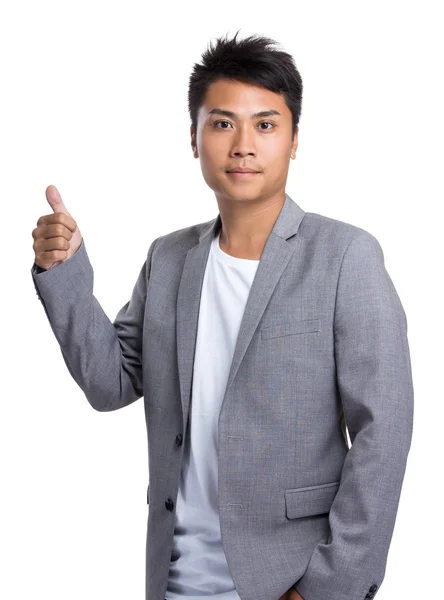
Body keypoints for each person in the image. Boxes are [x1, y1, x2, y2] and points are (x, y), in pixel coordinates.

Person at [31, 30, 414, 600]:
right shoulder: (169, 257)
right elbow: (110, 382)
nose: (243, 144)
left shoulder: (345, 257)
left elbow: (385, 428)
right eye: (221, 123)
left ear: (294, 139)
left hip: (288, 580)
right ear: (193, 138)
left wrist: (328, 587)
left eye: (265, 124)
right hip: (174, 579)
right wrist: (63, 272)